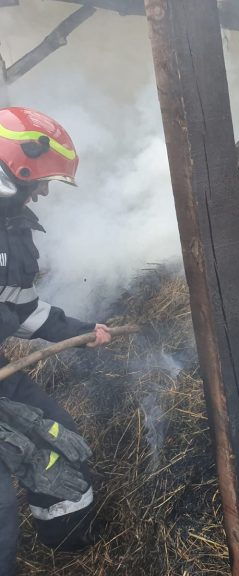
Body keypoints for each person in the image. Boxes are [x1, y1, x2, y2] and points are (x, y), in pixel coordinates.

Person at [0, 107, 112, 574]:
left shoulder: (12, 229)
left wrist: (83, 332)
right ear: (16, 169)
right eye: (39, 181)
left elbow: (21, 310)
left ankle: (65, 541)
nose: (43, 192)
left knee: (59, 438)